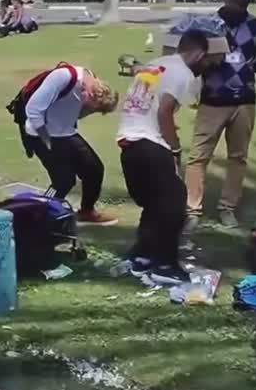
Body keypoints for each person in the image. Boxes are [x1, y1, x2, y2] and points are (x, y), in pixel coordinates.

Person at [117, 31, 210, 285]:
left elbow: (142, 101)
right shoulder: (183, 72)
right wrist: (175, 149)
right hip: (149, 142)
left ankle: (141, 255)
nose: (206, 65)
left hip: (128, 141)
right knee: (175, 203)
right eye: (206, 59)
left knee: (155, 203)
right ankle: (165, 265)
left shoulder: (154, 65)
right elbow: (165, 111)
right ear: (199, 54)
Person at [185, 0, 256, 230]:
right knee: (198, 157)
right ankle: (192, 210)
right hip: (213, 100)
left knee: (238, 157)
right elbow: (188, 61)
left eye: (241, 4)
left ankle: (228, 208)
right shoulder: (206, 26)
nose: (236, 8)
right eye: (233, 1)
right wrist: (205, 63)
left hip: (244, 101)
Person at [24, 65, 119, 225]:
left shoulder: (91, 81)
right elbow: (33, 109)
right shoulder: (64, 77)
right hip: (41, 134)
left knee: (94, 170)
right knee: (64, 181)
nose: (90, 109)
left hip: (66, 133)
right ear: (89, 92)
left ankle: (86, 212)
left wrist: (91, 109)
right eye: (91, 106)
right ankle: (39, 215)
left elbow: (75, 112)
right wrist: (46, 140)